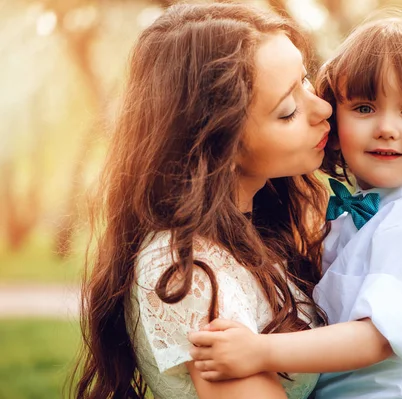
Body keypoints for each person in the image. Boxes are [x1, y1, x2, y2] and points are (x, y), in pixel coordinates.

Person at [188, 12, 402, 399]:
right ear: (334, 121)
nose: (386, 127)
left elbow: (373, 339)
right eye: (364, 108)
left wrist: (261, 351)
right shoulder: (376, 207)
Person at [71, 2, 333, 399]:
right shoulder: (186, 274)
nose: (324, 108)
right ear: (218, 145)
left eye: (306, 79)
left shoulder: (257, 230)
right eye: (288, 111)